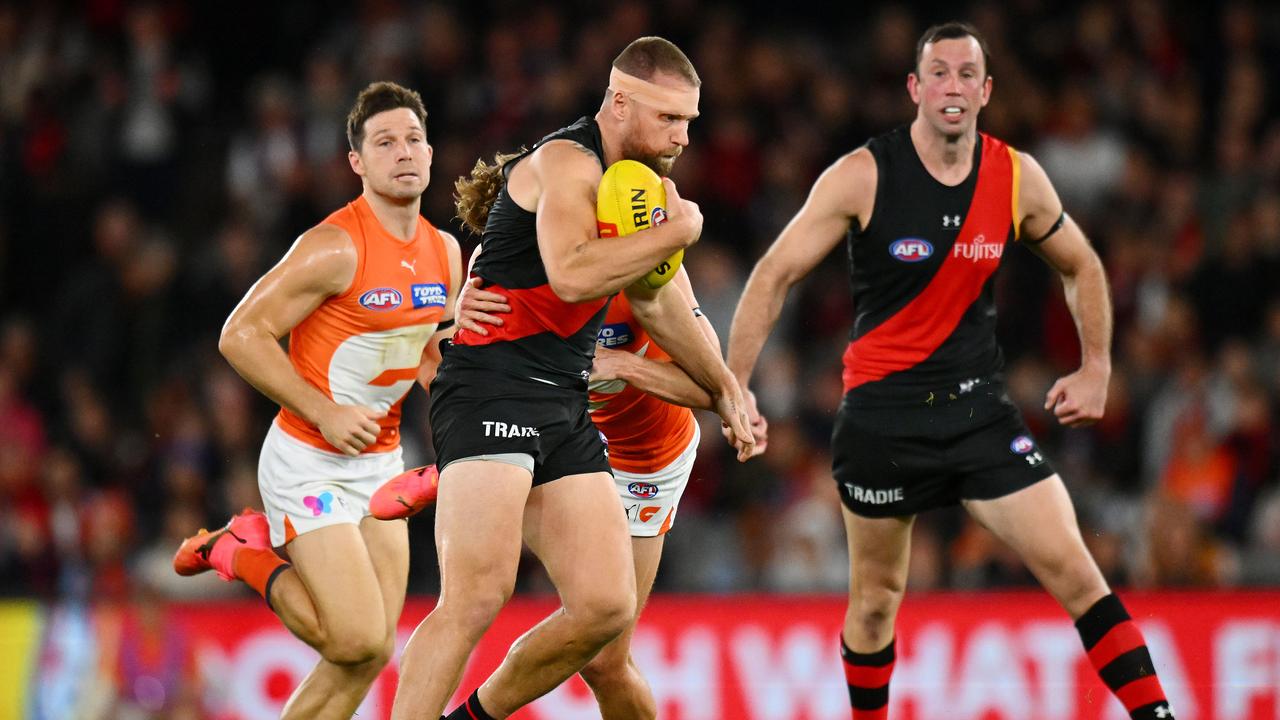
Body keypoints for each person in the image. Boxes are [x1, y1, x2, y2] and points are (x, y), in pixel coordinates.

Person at [726, 22, 1176, 720]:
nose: (953, 86)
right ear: (914, 88)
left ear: (987, 90)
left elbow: (1082, 263)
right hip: (882, 417)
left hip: (978, 413)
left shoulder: (1016, 175)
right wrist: (735, 385)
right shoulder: (863, 174)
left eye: (968, 73)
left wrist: (1097, 368)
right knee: (875, 604)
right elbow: (773, 273)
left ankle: (1159, 715)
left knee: (1077, 571)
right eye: (939, 72)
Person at [389, 36, 753, 720]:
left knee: (605, 609)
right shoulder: (567, 162)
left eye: (689, 122)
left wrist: (727, 388)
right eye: (669, 119)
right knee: (476, 594)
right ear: (619, 101)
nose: (681, 138)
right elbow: (573, 272)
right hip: (493, 386)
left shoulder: (636, 187)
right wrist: (677, 233)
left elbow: (655, 301)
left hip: (559, 401)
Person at [172, 81, 462, 720]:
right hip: (309, 459)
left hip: (381, 465)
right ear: (357, 162)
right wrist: (325, 411)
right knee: (356, 636)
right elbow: (238, 335)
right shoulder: (334, 246)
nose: (404, 152)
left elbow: (427, 356)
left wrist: (474, 426)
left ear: (433, 153)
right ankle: (241, 551)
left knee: (368, 654)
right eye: (385, 143)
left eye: (414, 139)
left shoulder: (446, 252)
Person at [377, 263, 768, 719]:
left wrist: (625, 365)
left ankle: (471, 476)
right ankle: (474, 470)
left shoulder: (646, 273)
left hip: (645, 460)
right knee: (475, 596)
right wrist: (465, 433)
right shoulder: (519, 253)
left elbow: (711, 387)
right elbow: (439, 355)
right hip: (558, 439)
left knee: (606, 663)